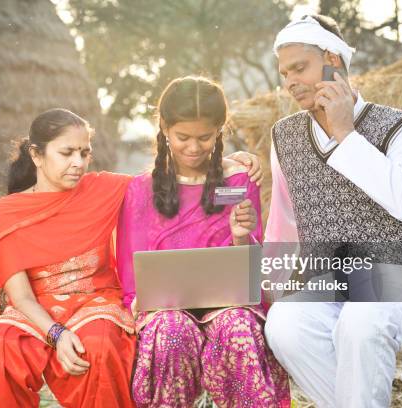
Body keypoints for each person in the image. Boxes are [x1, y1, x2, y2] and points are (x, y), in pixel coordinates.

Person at [0, 108, 263, 408]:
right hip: (33, 309)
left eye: (84, 153)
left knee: (102, 348)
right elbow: (21, 297)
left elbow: (168, 176)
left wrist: (227, 160)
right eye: (67, 152)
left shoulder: (104, 189)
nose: (78, 163)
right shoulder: (6, 213)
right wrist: (57, 335)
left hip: (95, 302)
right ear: (36, 155)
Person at [262, 15, 402, 408]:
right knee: (285, 326)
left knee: (362, 321)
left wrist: (345, 133)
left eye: (299, 68)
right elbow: (284, 221)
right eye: (284, 72)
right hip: (331, 284)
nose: (289, 81)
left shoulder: (400, 126)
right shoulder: (283, 136)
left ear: (332, 60)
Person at [117, 76, 290, 408]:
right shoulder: (140, 191)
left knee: (237, 328)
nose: (193, 148)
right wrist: (136, 301)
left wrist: (243, 236)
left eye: (204, 137)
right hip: (163, 310)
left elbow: (252, 271)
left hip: (229, 306)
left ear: (219, 132)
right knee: (171, 333)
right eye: (183, 137)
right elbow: (130, 272)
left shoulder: (239, 181)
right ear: (164, 129)